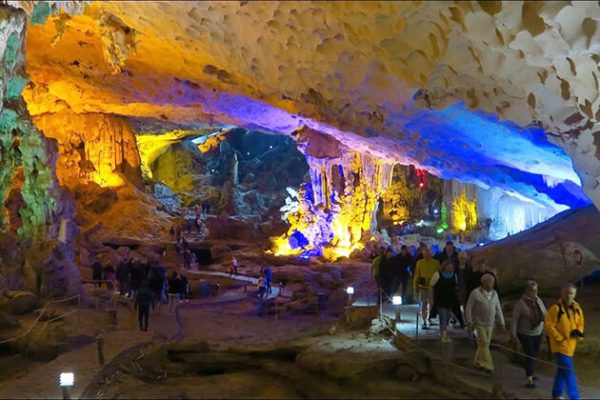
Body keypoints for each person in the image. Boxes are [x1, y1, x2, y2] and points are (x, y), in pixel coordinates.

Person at [545, 282, 584, 400]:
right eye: (566, 293)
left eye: (571, 293)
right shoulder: (555, 309)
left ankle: (556, 393)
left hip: (571, 345)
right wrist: (559, 338)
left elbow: (580, 323)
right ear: (562, 293)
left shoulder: (576, 307)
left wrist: (579, 333)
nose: (568, 296)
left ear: (575, 294)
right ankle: (574, 396)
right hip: (560, 346)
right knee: (569, 371)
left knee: (562, 371)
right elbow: (548, 326)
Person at [465, 273, 505, 374]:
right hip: (479, 322)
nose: (492, 284)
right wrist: (469, 322)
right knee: (484, 343)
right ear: (484, 282)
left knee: (483, 344)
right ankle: (489, 365)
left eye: (493, 283)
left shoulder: (494, 294)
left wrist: (502, 322)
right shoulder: (475, 293)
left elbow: (498, 308)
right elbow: (469, 308)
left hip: (490, 323)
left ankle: (478, 362)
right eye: (490, 282)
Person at [511, 280, 547, 388]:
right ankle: (529, 378)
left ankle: (530, 371)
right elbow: (515, 319)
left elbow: (545, 313)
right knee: (530, 354)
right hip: (525, 333)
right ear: (527, 291)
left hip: (538, 332)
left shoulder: (538, 300)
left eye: (536, 290)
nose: (535, 293)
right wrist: (513, 334)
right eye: (532, 290)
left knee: (534, 354)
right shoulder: (520, 304)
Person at [430, 260, 460, 342]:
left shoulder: (454, 275)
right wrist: (431, 298)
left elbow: (455, 287)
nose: (450, 268)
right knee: (443, 316)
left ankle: (443, 331)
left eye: (451, 267)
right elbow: (431, 286)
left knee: (448, 317)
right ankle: (444, 335)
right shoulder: (437, 274)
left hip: (450, 299)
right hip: (440, 299)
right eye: (448, 267)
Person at [413, 247, 440, 329]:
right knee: (423, 303)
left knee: (432, 303)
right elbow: (416, 275)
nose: (427, 255)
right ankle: (424, 320)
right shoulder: (419, 263)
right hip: (423, 287)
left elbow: (439, 273)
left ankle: (430, 318)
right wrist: (415, 288)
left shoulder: (435, 263)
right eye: (425, 254)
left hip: (433, 287)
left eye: (428, 254)